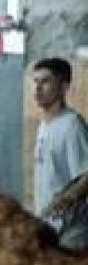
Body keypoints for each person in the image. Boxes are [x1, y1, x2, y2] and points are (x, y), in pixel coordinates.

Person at [30, 58, 88, 220]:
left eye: (45, 82)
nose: (37, 88)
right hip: (46, 221)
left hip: (68, 227)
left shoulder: (72, 125)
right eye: (35, 81)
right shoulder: (43, 124)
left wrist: (67, 199)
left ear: (63, 87)